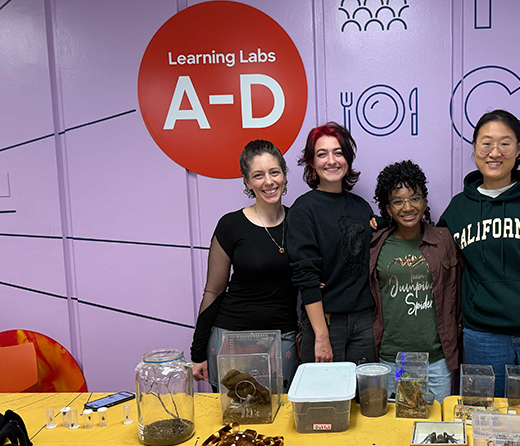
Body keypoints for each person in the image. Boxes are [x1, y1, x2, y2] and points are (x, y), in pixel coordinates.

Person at [437, 109, 520, 398]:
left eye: (505, 143)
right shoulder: (459, 209)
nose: (494, 152)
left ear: (519, 147)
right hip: (483, 339)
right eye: (486, 143)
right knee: (486, 431)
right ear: (474, 148)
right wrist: (390, 222)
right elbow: (430, 247)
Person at [190, 140, 299, 392]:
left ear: (284, 174)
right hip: (231, 337)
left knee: (280, 420)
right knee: (233, 424)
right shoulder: (231, 225)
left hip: (281, 338)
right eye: (258, 175)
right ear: (247, 182)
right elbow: (213, 291)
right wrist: (198, 352)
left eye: (274, 172)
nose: (269, 182)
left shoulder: (300, 222)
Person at [370, 160, 462, 404]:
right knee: (393, 432)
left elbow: (458, 292)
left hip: (436, 360)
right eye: (397, 201)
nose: (407, 207)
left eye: (415, 198)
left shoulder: (444, 241)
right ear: (387, 209)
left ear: (425, 202)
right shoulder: (376, 245)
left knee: (436, 430)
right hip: (391, 359)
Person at [286, 122, 375, 364]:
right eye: (322, 154)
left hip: (365, 320)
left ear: (347, 159)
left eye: (338, 152)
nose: (331, 160)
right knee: (324, 399)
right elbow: (306, 276)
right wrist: (321, 336)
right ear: (312, 163)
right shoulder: (303, 210)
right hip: (325, 321)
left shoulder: (362, 207)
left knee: (364, 397)